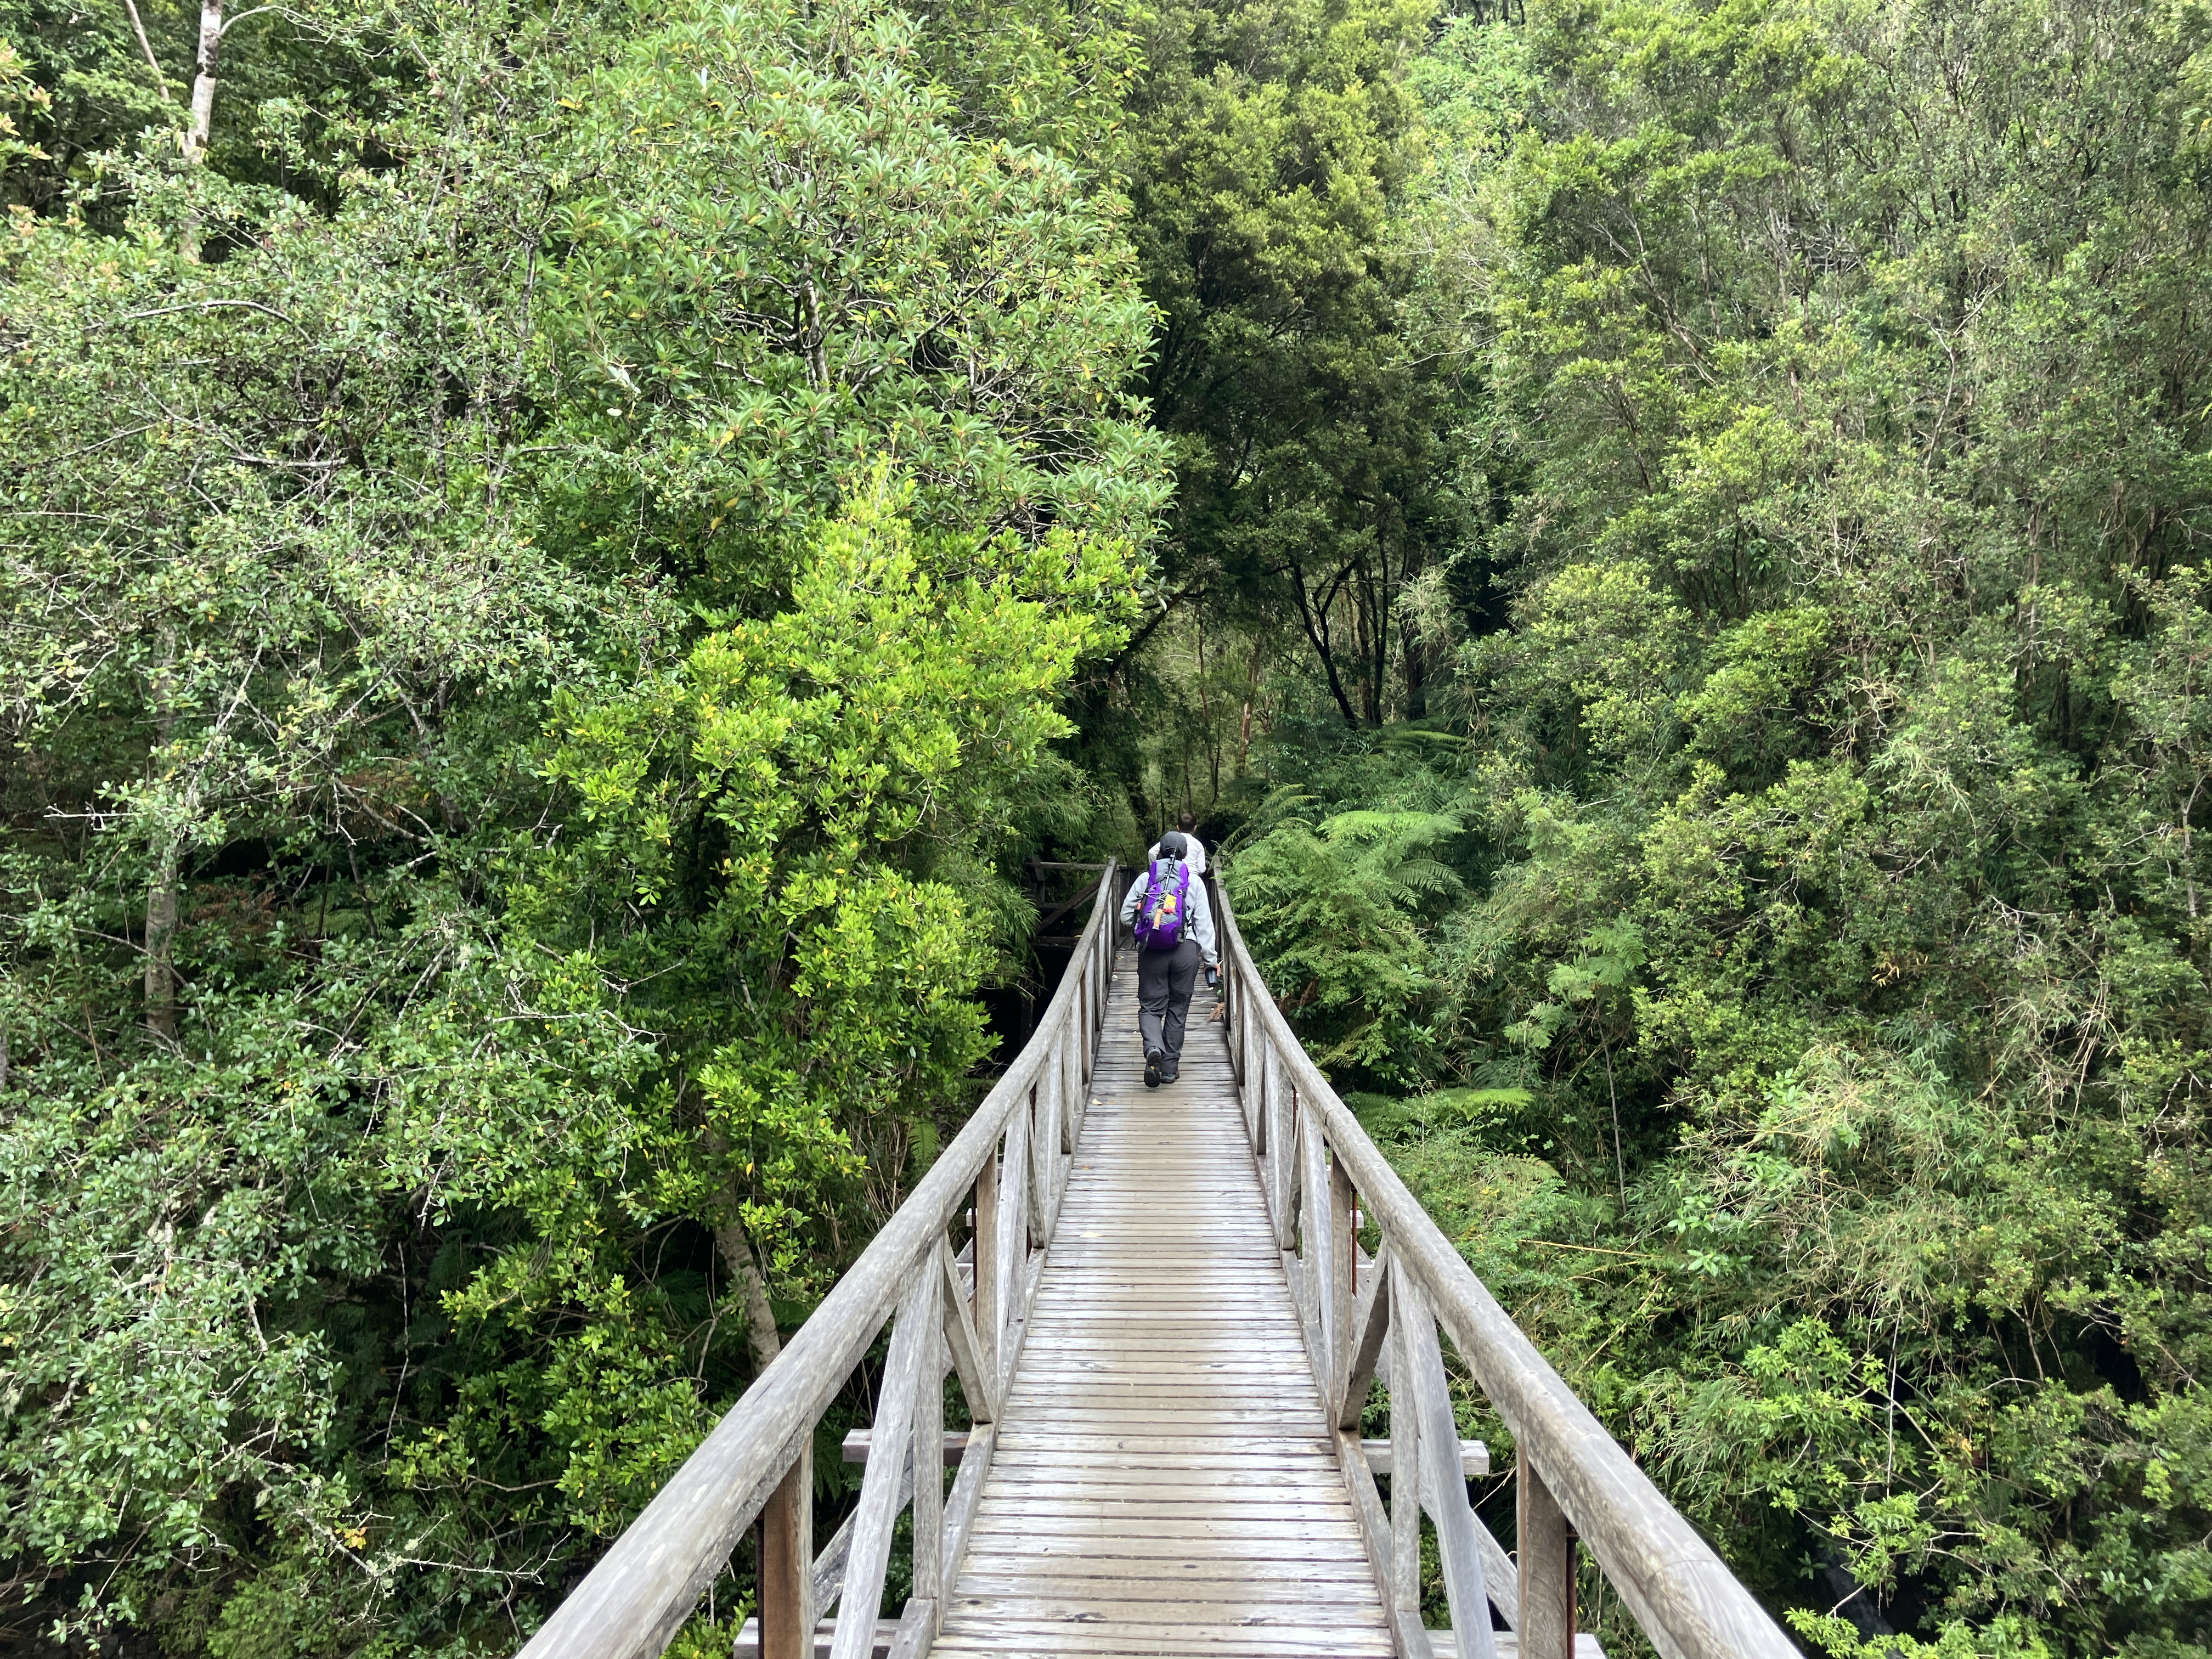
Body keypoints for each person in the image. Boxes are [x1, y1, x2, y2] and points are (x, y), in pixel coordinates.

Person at [1119, 831, 1220, 1088]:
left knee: (1151, 1007)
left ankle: (1154, 1047)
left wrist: (1143, 928)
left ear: (1160, 852)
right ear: (1186, 855)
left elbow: (1125, 916)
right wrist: (1211, 960)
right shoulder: (1194, 882)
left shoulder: (1146, 878)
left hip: (1152, 950)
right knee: (1178, 1009)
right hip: (1186, 951)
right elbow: (1205, 925)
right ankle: (1169, 1070)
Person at [1146, 810, 1207, 875]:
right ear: (1195, 828)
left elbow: (1152, 852)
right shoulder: (1198, 844)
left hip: (1173, 875)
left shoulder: (1171, 840)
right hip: (1192, 877)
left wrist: (1156, 869)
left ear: (1178, 827)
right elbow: (1201, 869)